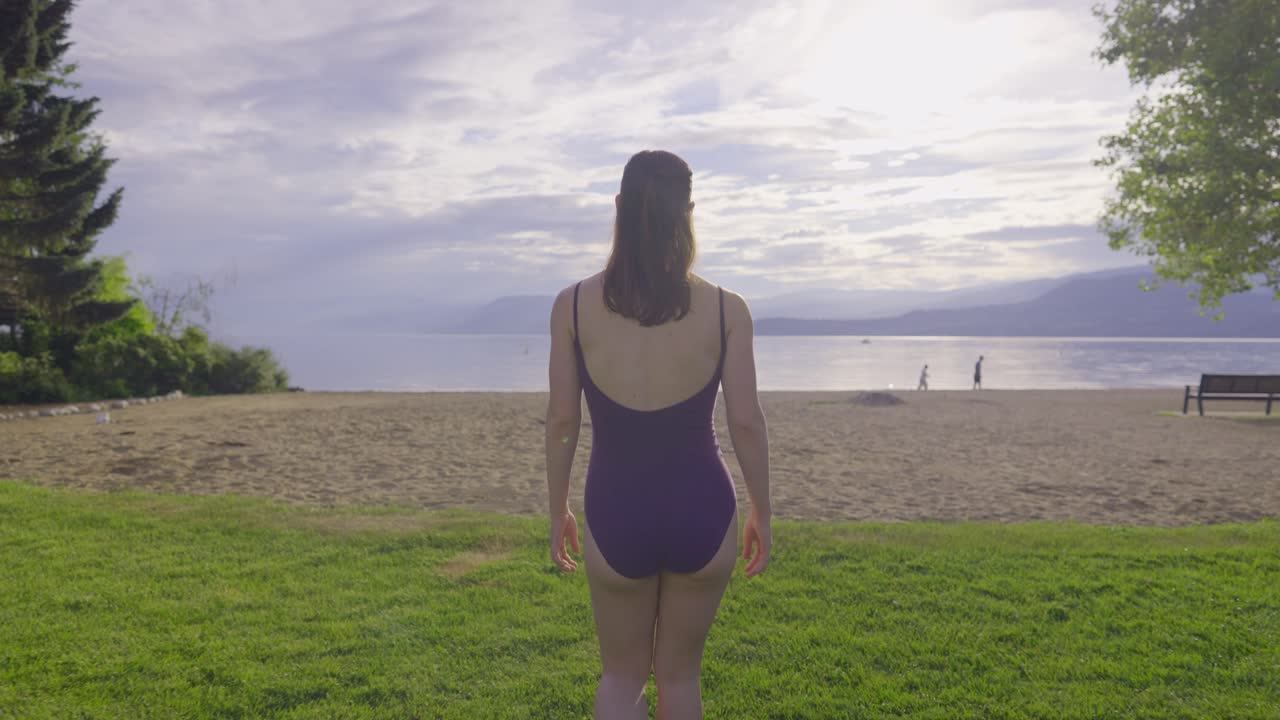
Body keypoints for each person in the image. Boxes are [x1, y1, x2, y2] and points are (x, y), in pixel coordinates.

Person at [544, 149, 772, 719]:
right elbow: (746, 420)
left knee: (621, 678)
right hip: (703, 508)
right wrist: (762, 512)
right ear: (688, 213)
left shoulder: (573, 306)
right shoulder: (727, 310)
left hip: (617, 509)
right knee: (681, 678)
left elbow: (563, 421)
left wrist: (558, 510)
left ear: (619, 206)